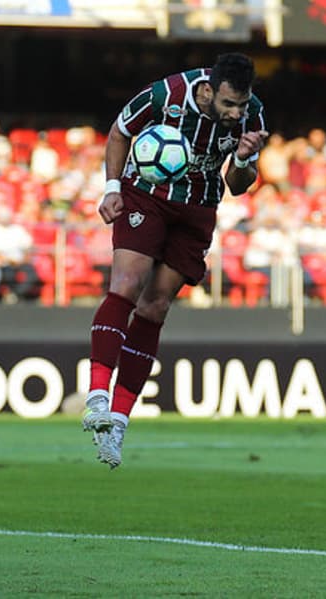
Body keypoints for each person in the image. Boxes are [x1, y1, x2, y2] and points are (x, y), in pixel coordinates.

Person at [83, 53, 268, 469]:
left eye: (242, 104)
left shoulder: (252, 117)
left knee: (156, 306)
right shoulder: (166, 94)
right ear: (208, 91)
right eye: (228, 105)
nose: (236, 113)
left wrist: (241, 158)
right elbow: (119, 132)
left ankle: (117, 422)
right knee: (128, 284)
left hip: (197, 208)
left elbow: (237, 186)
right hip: (146, 195)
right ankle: (97, 394)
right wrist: (112, 187)